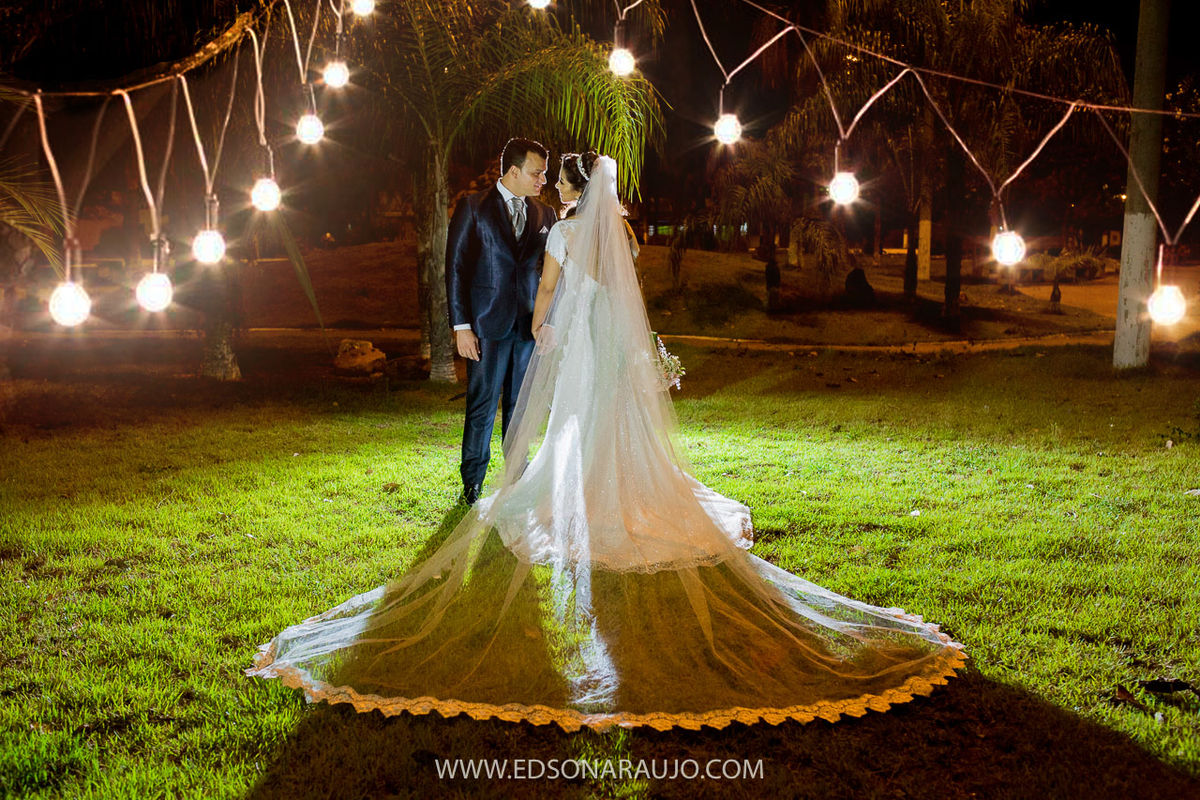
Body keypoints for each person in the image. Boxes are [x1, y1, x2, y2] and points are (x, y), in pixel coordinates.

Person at [246, 154, 965, 732]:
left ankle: (572, 496)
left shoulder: (562, 233)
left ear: (569, 189)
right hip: (612, 348)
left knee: (570, 419)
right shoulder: (618, 234)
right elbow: (626, 293)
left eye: (557, 180)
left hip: (578, 346)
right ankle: (611, 489)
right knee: (605, 422)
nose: (551, 188)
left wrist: (542, 325)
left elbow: (548, 293)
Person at [445, 137, 557, 507]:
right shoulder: (473, 208)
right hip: (484, 328)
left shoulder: (546, 215)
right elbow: (457, 268)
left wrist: (548, 321)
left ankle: (516, 479)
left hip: (528, 327)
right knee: (482, 405)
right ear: (513, 171)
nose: (543, 180)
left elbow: (550, 275)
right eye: (536, 173)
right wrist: (461, 326)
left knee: (519, 408)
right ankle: (473, 483)